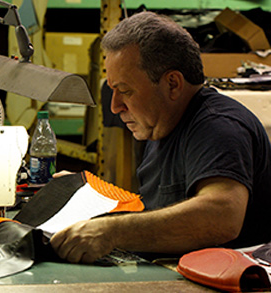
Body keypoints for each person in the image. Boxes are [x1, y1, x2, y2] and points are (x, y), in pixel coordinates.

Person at [50, 11, 271, 264]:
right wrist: (93, 197)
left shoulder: (218, 126)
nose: (115, 106)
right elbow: (160, 212)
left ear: (172, 84)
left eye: (125, 90)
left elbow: (222, 216)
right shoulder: (163, 124)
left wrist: (112, 231)